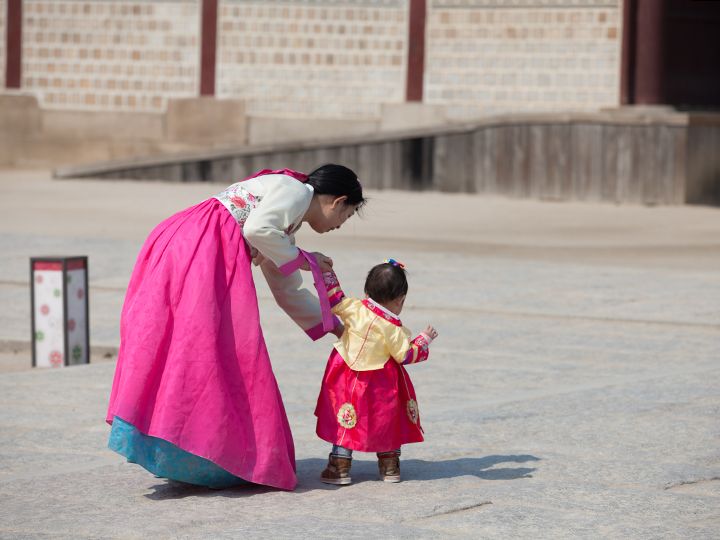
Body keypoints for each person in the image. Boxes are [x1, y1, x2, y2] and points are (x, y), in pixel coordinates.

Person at [106, 164, 365, 491]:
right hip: (200, 247)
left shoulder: (286, 219)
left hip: (187, 242)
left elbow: (286, 288)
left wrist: (337, 327)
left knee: (190, 347)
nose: (341, 225)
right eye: (348, 215)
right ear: (337, 202)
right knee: (206, 347)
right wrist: (305, 258)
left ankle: (191, 447)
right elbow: (258, 230)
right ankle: (195, 445)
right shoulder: (298, 191)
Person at [314, 259, 438, 485]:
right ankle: (390, 465)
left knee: (345, 415)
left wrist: (327, 273)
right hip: (380, 380)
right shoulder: (392, 328)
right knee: (386, 417)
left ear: (367, 291)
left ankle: (339, 466)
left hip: (346, 375)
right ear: (399, 301)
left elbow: (335, 298)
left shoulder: (354, 308)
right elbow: (405, 355)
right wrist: (423, 340)